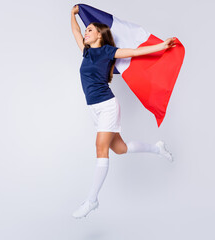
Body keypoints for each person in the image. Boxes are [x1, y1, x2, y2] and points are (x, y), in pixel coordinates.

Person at [70, 4, 175, 219]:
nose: (85, 32)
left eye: (90, 29)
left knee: (101, 149)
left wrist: (162, 45)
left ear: (100, 34)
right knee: (120, 148)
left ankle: (92, 200)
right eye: (86, 30)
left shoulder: (108, 52)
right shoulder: (86, 52)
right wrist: (72, 14)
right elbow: (75, 31)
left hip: (107, 105)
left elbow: (136, 52)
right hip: (94, 108)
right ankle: (157, 148)